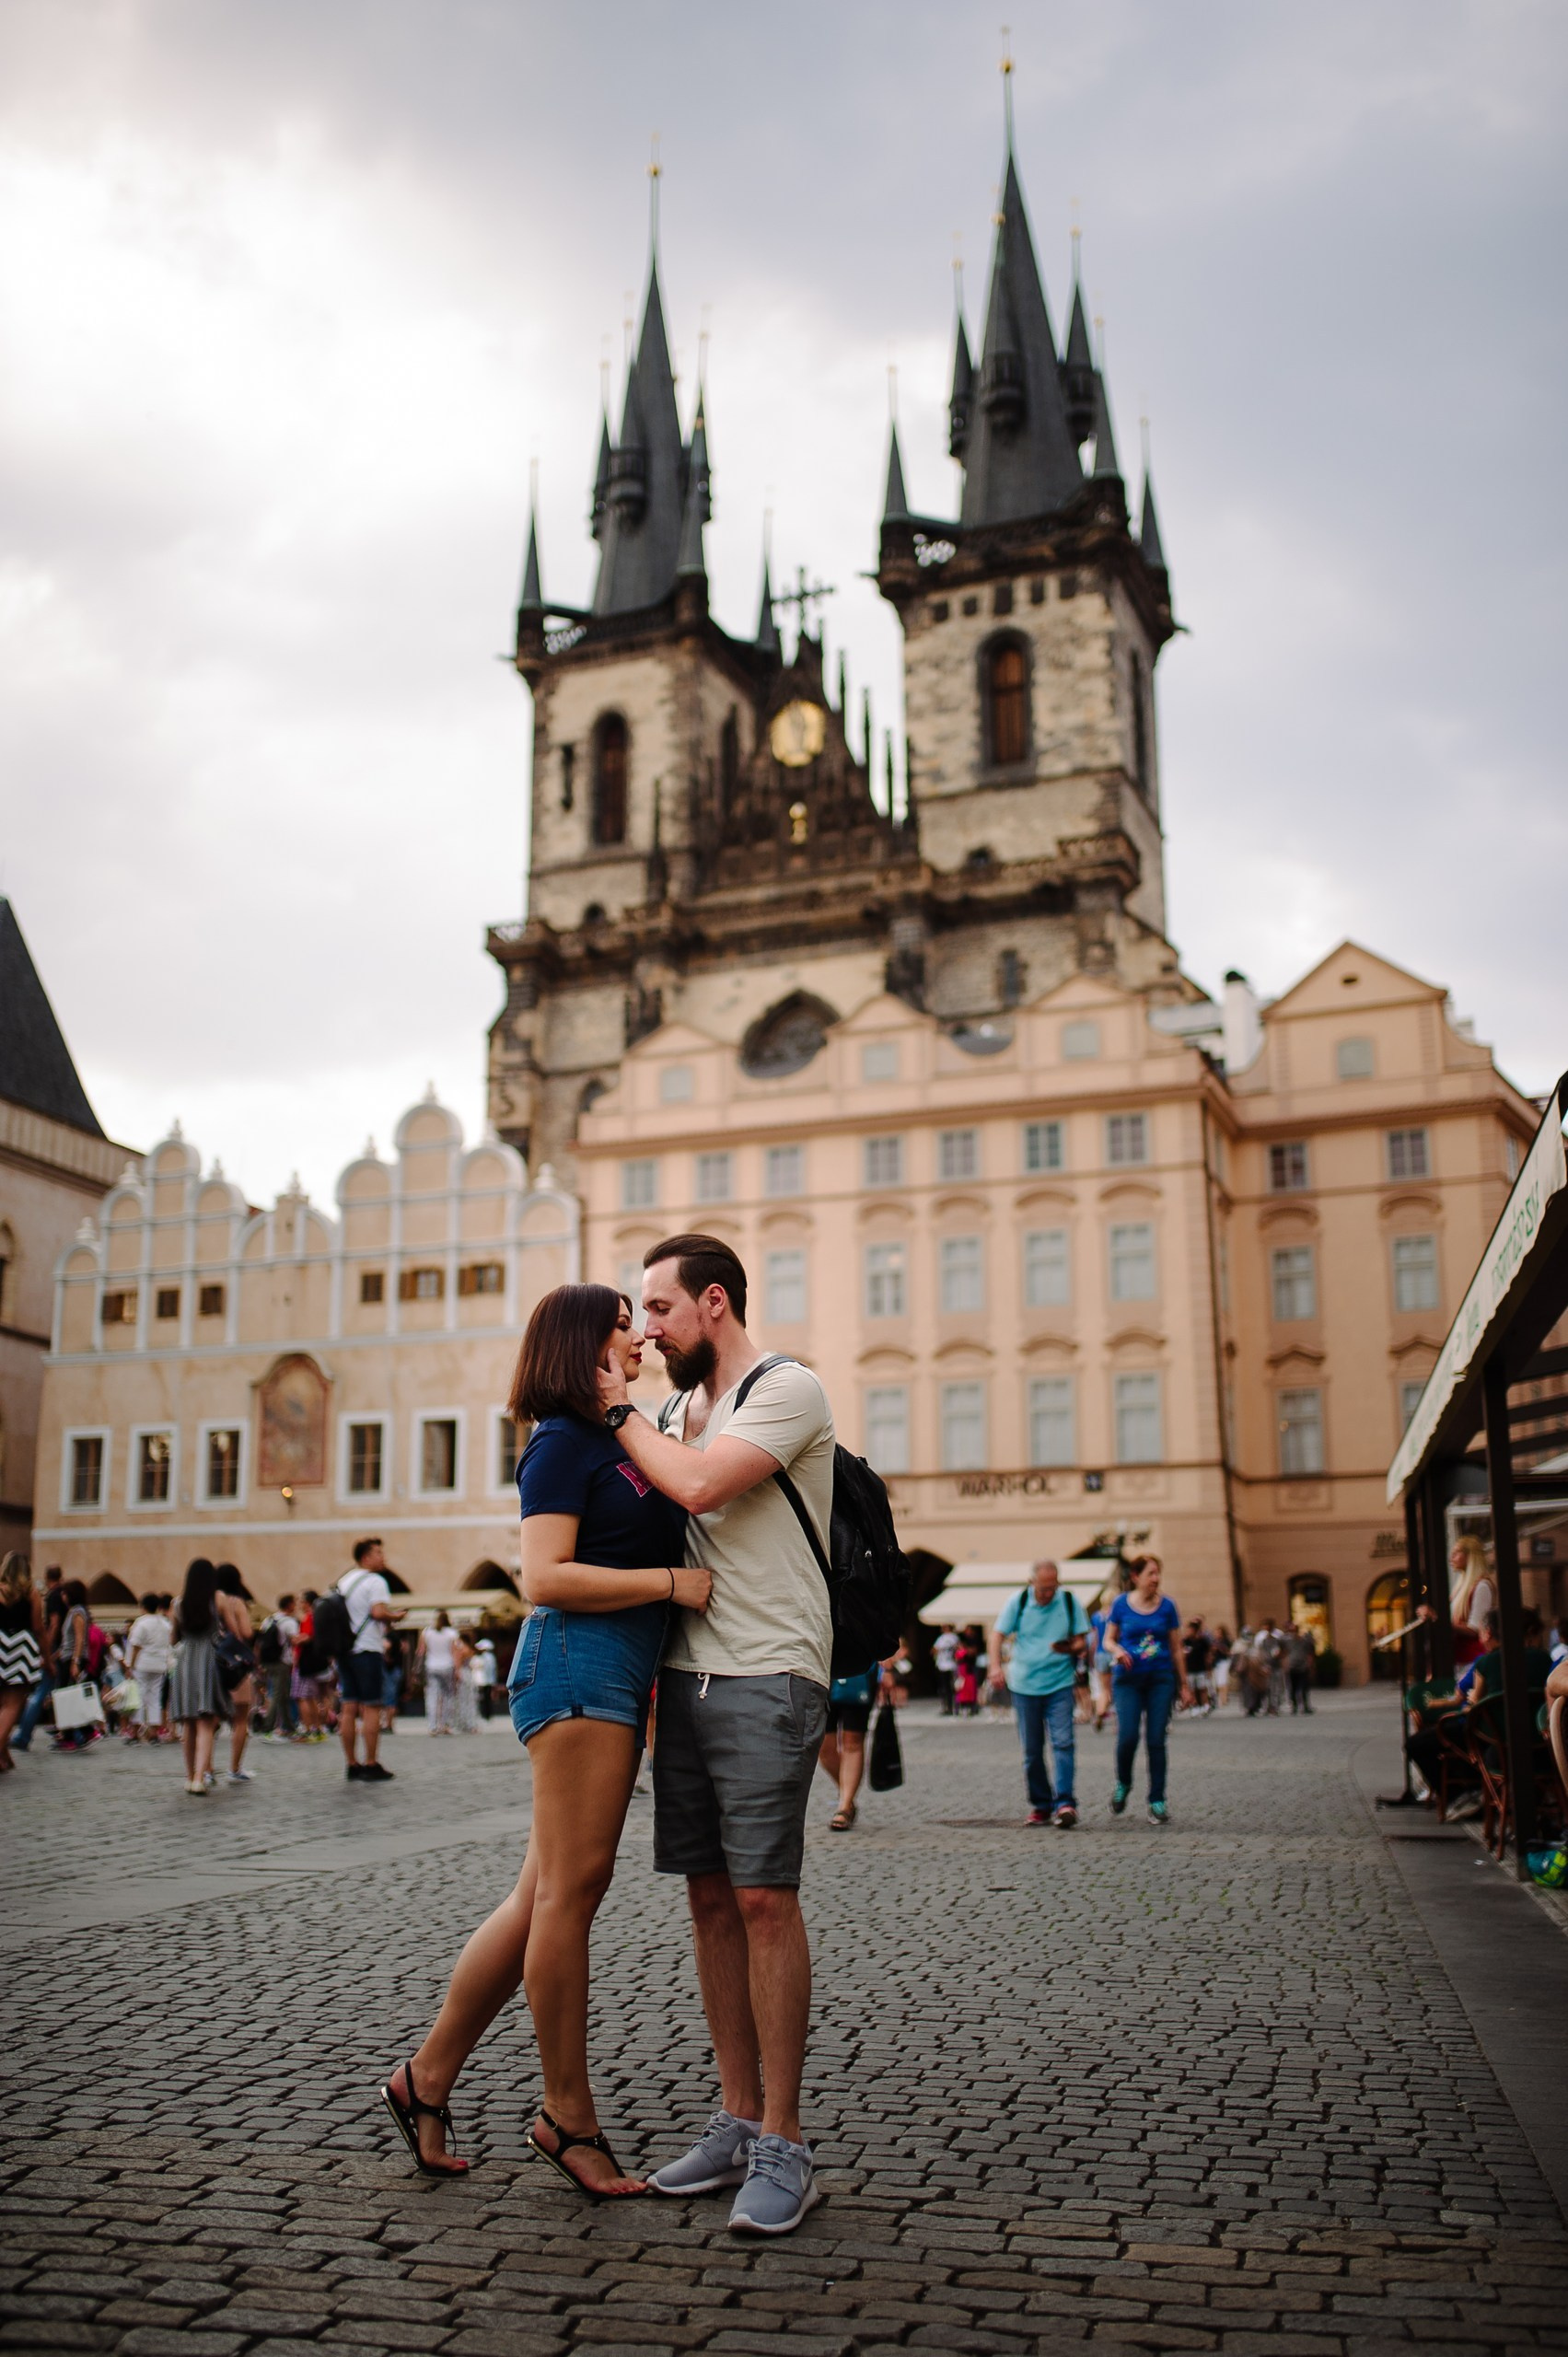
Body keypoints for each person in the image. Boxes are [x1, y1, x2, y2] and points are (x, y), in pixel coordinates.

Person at [381, 1283, 703, 2197]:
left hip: (607, 1671)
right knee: (569, 1894)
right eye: (620, 1327)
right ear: (583, 1343)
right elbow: (544, 1574)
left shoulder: (609, 1434)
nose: (638, 1337)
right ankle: (567, 2115)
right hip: (576, 1667)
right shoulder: (561, 1443)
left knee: (540, 1897)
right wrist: (670, 1586)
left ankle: (426, 2078)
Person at [597, 1232, 835, 2236]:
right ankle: (735, 2115)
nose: (646, 1330)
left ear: (715, 1303)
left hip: (770, 1671)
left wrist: (610, 1408)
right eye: (638, 1316)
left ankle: (784, 2139)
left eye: (657, 1310)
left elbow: (698, 1488)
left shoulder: (789, 1388)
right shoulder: (669, 1411)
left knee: (762, 1900)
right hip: (684, 1678)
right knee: (706, 1901)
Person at [993, 1561, 1083, 1828]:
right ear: (1032, 1582)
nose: (1048, 1594)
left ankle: (1065, 1803)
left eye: (1052, 1587)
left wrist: (1068, 1647)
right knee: (1032, 1751)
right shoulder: (1018, 1601)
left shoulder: (1068, 1601)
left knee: (1063, 1743)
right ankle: (1042, 1805)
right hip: (1024, 1685)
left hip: (1060, 1683)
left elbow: (1081, 1639)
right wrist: (995, 1666)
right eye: (1044, 1588)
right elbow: (997, 1635)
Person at [1105, 1554, 1192, 1823]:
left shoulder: (1167, 1607)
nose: (1156, 1579)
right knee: (1128, 1737)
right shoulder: (1121, 1604)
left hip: (1160, 1680)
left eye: (1158, 1573)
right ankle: (1124, 1784)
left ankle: (1157, 1799)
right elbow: (1108, 1640)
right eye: (1151, 1573)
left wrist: (1185, 1685)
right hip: (1128, 1680)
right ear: (1136, 1577)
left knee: (1156, 1740)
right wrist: (1118, 1651)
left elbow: (1176, 1648)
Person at [338, 1538, 405, 1783]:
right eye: (378, 1552)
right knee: (372, 1706)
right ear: (366, 1557)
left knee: (348, 1707)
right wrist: (393, 1616)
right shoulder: (375, 1581)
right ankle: (370, 1762)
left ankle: (351, 1763)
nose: (383, 1557)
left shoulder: (344, 1581)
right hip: (367, 1648)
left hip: (345, 1650)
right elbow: (377, 1612)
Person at [168, 1558, 227, 1795]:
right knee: (205, 1722)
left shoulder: (178, 1604)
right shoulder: (218, 1599)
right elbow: (230, 1630)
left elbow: (174, 1639)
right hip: (209, 1660)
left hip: (185, 1662)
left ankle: (189, 1775)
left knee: (188, 1724)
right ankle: (200, 1778)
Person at [818, 1661, 877, 1830]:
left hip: (859, 1669)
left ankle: (844, 1807)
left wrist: (887, 1670)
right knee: (823, 1746)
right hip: (821, 1671)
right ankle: (847, 1797)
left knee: (852, 1741)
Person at [0, 1552, 45, 1772]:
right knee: (13, 1704)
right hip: (21, 1646)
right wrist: (46, 1656)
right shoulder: (31, 1593)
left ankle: (4, 1756)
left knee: (2, 1705)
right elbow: (38, 1626)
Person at [213, 1564, 258, 1783]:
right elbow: (246, 1632)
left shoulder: (210, 1601)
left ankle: (207, 1769)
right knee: (241, 1719)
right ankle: (235, 1767)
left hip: (213, 1664)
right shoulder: (236, 1602)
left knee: (210, 1720)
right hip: (233, 1665)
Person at [14, 1566, 64, 1753]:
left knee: (39, 1693)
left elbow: (53, 1623)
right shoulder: (63, 1594)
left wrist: (47, 1652)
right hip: (63, 1650)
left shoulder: (52, 1596)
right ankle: (68, 1734)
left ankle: (23, 1735)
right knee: (60, 1693)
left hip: (54, 1650)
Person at [52, 1579, 94, 1751]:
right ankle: (83, 1732)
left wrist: (75, 1662)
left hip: (73, 1659)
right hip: (67, 1658)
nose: (62, 1595)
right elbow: (67, 1642)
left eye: (64, 1592)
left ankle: (73, 1735)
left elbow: (79, 1639)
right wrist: (53, 1657)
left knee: (67, 1699)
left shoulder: (78, 1612)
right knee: (66, 1697)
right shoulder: (72, 1612)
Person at [125, 1592, 173, 1744]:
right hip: (160, 1664)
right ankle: (154, 1733)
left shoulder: (141, 1623)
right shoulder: (165, 1624)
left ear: (143, 1607)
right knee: (155, 1698)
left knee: (138, 1697)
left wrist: (130, 1666)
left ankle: (135, 1732)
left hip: (143, 1664)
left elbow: (136, 1646)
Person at [258, 1594, 299, 1738]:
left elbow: (260, 1641)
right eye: (294, 1603)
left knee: (281, 1694)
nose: (296, 1606)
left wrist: (259, 1662)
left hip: (268, 1661)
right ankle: (268, 1725)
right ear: (289, 1605)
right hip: (282, 1661)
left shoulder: (269, 1619)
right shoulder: (289, 1622)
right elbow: (295, 1640)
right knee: (278, 1693)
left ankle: (288, 1725)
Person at [1449, 1536, 1494, 1666]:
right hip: (1462, 1658)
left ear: (1470, 1556)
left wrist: (1440, 1620)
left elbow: (1475, 1628)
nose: (1452, 1558)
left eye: (1456, 1553)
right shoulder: (1463, 1586)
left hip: (1472, 1660)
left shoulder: (1482, 1586)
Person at [292, 1591, 329, 1739]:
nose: (300, 1604)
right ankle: (318, 1728)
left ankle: (308, 1730)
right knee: (314, 1696)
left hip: (306, 1661)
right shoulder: (321, 1617)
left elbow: (306, 1637)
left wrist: (296, 1640)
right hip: (317, 1661)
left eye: (301, 1601)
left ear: (308, 1603)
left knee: (303, 1697)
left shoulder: (309, 1618)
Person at [418, 1611, 459, 1735]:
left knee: (432, 1696)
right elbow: (454, 1652)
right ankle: (446, 1724)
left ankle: (432, 1726)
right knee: (448, 1696)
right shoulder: (452, 1633)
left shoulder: (427, 1632)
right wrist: (457, 1670)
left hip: (431, 1666)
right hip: (447, 1666)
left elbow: (421, 1651)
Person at [1181, 1619, 1214, 1713]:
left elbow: (1208, 1654)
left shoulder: (1202, 1641)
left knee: (1202, 1688)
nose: (1189, 1631)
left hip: (1201, 1668)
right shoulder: (1186, 1641)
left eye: (1190, 1629)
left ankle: (1206, 1705)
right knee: (1192, 1689)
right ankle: (1195, 1706)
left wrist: (1209, 1668)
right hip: (1190, 1668)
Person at [1285, 1622, 1317, 1713]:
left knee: (1304, 1687)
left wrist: (1310, 1665)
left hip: (1303, 1667)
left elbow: (1310, 1654)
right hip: (1292, 1667)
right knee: (1293, 1688)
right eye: (1291, 1631)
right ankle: (1294, 1706)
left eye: (1294, 1630)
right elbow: (1283, 1653)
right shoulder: (1287, 1641)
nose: (1292, 1633)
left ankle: (1305, 1706)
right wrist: (1285, 1664)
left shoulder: (1304, 1641)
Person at [932, 1624, 958, 1714]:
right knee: (950, 1688)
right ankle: (951, 1707)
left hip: (944, 1665)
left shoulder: (942, 1638)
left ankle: (948, 1707)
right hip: (949, 1665)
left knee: (945, 1688)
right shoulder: (955, 1638)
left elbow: (934, 1650)